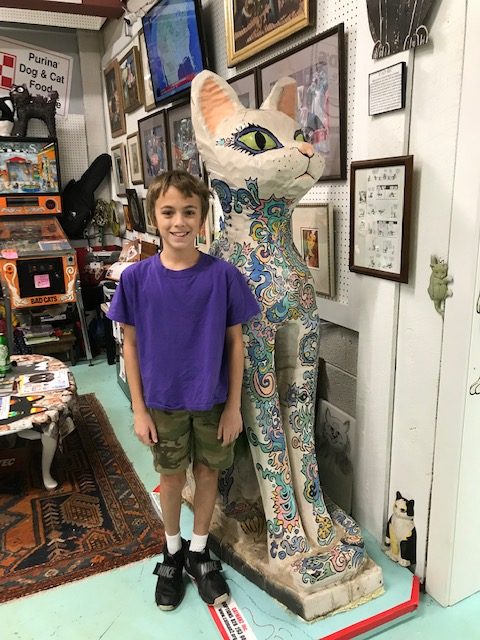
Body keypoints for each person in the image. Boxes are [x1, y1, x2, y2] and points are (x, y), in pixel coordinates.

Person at [107, 170, 260, 611]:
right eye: (168, 211)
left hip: (212, 399)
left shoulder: (223, 277)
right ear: (154, 215)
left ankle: (198, 550)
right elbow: (130, 346)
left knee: (209, 473)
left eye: (189, 212)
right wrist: (139, 408)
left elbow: (235, 343)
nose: (179, 221)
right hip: (163, 401)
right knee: (171, 477)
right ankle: (172, 550)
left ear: (202, 216)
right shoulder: (136, 279)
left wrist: (233, 406)